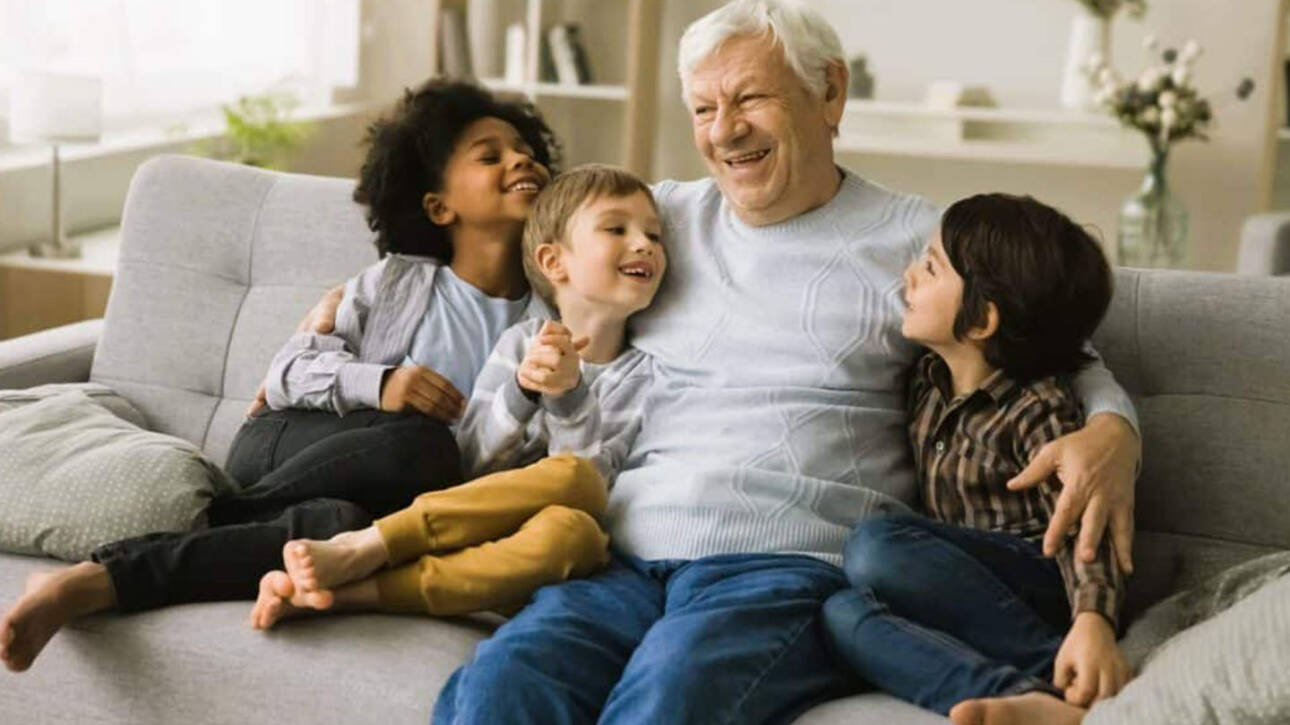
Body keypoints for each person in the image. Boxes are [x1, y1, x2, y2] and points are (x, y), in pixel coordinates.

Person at [257, 3, 1144, 721]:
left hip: (785, 563)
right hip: (622, 552)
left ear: (828, 94)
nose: (725, 132)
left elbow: (1053, 342)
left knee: (666, 705)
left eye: (750, 100)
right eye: (704, 110)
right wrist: (354, 313)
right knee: (501, 691)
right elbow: (537, 263)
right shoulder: (662, 218)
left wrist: (1114, 432)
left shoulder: (920, 239)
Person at [0, 79, 561, 673]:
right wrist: (382, 385)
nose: (520, 158)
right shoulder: (395, 285)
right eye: (490, 155)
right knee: (422, 442)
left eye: (525, 148)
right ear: (438, 206)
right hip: (285, 440)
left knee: (339, 530)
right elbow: (288, 371)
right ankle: (220, 513)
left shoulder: (546, 321)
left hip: (378, 498)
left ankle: (96, 581)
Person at [247, 164, 666, 628]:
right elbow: (471, 460)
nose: (645, 243)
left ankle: (354, 591)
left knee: (580, 532)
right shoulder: (519, 343)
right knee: (570, 491)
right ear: (554, 262)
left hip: (522, 552)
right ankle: (371, 545)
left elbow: (589, 489)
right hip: (459, 522)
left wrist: (568, 397)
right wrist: (524, 390)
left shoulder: (642, 376)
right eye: (616, 229)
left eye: (655, 234)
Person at [822, 193, 1131, 725]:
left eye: (930, 267)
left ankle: (1062, 664)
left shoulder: (1039, 409)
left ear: (982, 320)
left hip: (1039, 581)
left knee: (877, 545)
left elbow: (1086, 523)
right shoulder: (925, 379)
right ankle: (1027, 695)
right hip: (957, 587)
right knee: (839, 613)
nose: (908, 276)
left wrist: (1093, 621)